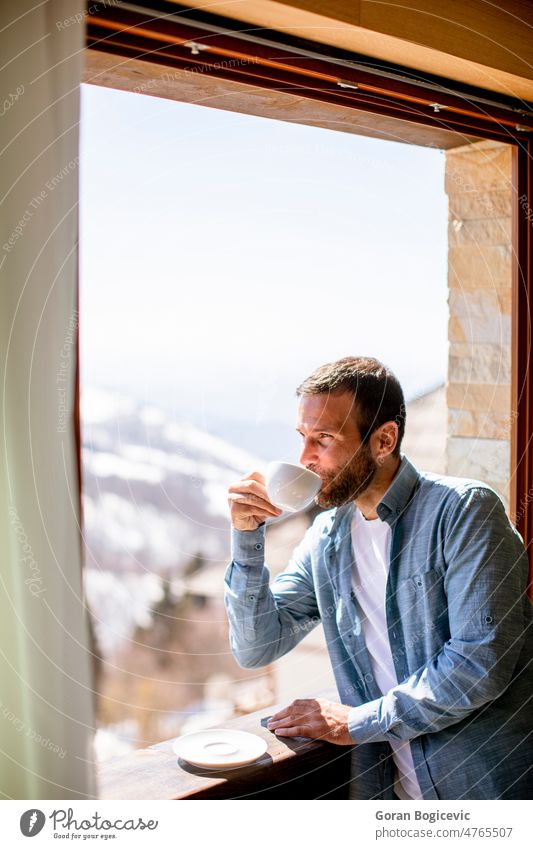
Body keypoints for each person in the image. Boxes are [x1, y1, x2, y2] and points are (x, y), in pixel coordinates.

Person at [224, 356, 533, 800]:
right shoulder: (325, 540)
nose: (305, 458)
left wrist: (353, 723)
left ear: (384, 439)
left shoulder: (464, 512)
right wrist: (246, 538)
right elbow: (255, 647)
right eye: (303, 438)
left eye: (324, 439)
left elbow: (478, 665)